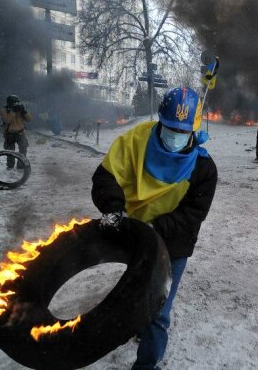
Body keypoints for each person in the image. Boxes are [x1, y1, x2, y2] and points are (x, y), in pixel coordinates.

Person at [91, 87, 218, 370]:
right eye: (170, 128)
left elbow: (192, 216)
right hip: (135, 233)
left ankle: (147, 365)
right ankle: (139, 324)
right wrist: (112, 206)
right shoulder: (135, 141)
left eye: (182, 131)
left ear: (193, 132)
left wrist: (157, 226)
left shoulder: (204, 169)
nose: (174, 135)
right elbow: (105, 176)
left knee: (158, 310)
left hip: (173, 245)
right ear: (160, 121)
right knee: (136, 288)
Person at [0, 95, 31, 169]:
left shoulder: (20, 109)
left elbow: (29, 119)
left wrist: (23, 111)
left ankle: (21, 165)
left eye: (17, 102)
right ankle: (10, 166)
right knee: (10, 151)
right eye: (14, 102)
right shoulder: (4, 110)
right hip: (9, 133)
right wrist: (13, 111)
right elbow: (7, 120)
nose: (16, 104)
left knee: (23, 149)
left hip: (20, 133)